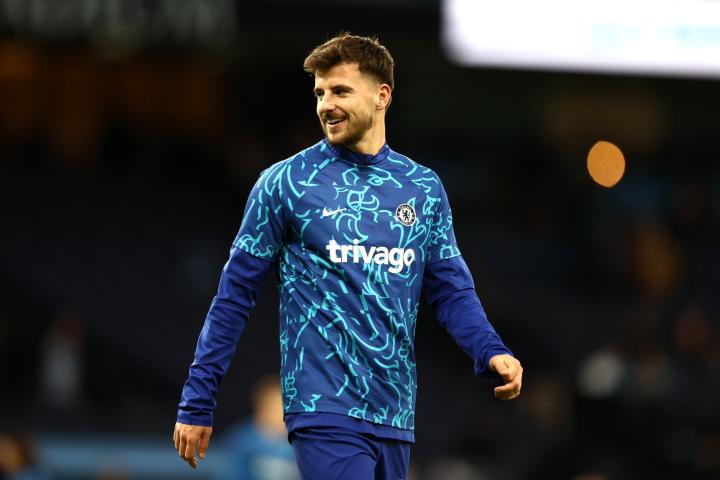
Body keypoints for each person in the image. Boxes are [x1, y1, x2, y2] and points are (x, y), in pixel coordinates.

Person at [173, 33, 523, 480]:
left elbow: (451, 291)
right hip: (323, 407)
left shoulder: (423, 189)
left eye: (340, 91)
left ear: (382, 96)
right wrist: (197, 399)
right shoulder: (285, 184)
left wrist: (490, 350)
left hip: (395, 414)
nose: (326, 105)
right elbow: (233, 297)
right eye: (320, 93)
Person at [220, 376, 299, 480]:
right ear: (261, 410)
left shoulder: (300, 441)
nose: (281, 415)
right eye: (275, 408)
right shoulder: (242, 440)